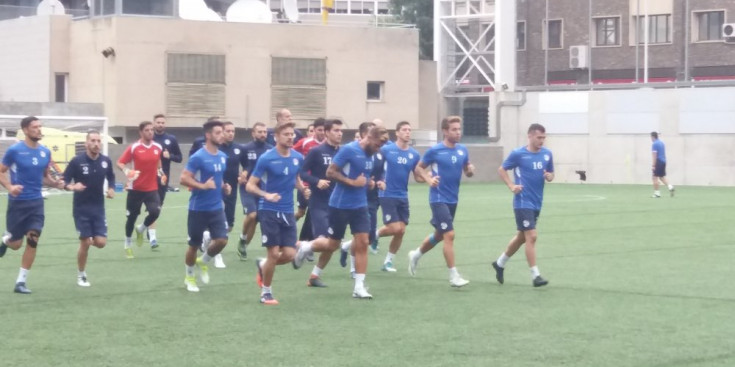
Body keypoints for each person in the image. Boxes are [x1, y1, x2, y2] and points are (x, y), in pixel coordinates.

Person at [293, 126, 389, 299]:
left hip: (360, 205)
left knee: (363, 241)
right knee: (332, 245)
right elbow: (331, 172)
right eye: (378, 143)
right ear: (369, 137)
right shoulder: (349, 150)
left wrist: (370, 183)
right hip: (340, 205)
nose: (379, 148)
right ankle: (306, 246)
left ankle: (359, 287)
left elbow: (364, 177)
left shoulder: (372, 155)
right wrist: (352, 182)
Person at [406, 116, 474, 288]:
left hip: (453, 199)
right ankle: (453, 276)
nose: (458, 132)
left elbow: (467, 171)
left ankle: (416, 254)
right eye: (454, 129)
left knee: (439, 234)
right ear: (445, 131)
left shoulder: (463, 150)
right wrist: (429, 180)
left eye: (459, 129)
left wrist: (470, 170)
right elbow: (419, 168)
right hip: (438, 198)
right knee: (449, 235)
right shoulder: (435, 150)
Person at [246, 121, 309, 305]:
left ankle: (263, 266)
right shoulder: (266, 158)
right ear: (276, 137)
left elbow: (295, 177)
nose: (290, 137)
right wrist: (266, 194)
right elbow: (250, 185)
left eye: (292, 134)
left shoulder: (297, 157)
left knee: (289, 255)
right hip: (269, 210)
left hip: (288, 211)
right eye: (286, 134)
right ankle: (266, 293)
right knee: (273, 253)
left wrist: (302, 188)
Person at [0, 116, 65, 294]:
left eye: (40, 126)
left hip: (36, 203)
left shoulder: (45, 152)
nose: (39, 130)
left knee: (33, 240)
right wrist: (10, 187)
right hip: (17, 203)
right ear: (26, 130)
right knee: (15, 244)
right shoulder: (14, 150)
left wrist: (55, 183)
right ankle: (6, 239)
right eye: (35, 127)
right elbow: (1, 172)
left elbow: (45, 177)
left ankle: (21, 282)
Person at [492, 123, 554, 287]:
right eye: (539, 137)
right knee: (531, 236)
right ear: (530, 136)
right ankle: (536, 276)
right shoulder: (518, 154)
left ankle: (499, 263)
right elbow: (501, 169)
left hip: (536, 202)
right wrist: (512, 186)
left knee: (522, 237)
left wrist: (549, 176)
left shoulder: (547, 154)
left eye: (543, 138)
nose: (542, 141)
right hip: (522, 202)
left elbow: (551, 174)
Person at [374, 121, 435, 272]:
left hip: (403, 195)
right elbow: (376, 167)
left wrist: (428, 177)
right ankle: (373, 234)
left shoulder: (413, 154)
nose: (408, 132)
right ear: (397, 133)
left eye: (409, 130)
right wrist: (378, 181)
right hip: (387, 193)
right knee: (394, 227)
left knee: (401, 230)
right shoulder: (386, 150)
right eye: (404, 130)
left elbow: (417, 177)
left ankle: (388, 262)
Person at [179, 120, 232, 292]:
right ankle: (189, 276)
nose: (222, 135)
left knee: (222, 240)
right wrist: (202, 186)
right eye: (217, 132)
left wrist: (224, 186)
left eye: (222, 132)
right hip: (198, 208)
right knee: (193, 245)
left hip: (216, 207)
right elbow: (184, 178)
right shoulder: (198, 157)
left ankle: (204, 260)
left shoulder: (223, 157)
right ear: (208, 135)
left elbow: (218, 178)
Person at [63, 130, 116, 287]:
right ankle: (81, 275)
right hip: (81, 209)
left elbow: (111, 177)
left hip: (98, 208)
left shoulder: (106, 161)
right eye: (92, 140)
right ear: (86, 143)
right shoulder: (76, 161)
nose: (96, 144)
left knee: (101, 243)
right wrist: (73, 186)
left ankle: (88, 239)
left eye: (98, 141)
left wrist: (112, 188)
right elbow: (64, 181)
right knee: (85, 243)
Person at [298, 119, 342, 287]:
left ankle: (314, 275)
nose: (339, 133)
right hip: (319, 202)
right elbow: (302, 172)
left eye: (341, 131)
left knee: (333, 243)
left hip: (337, 203)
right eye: (336, 130)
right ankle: (303, 246)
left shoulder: (343, 153)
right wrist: (316, 181)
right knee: (325, 240)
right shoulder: (317, 151)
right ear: (327, 132)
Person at [117, 121, 164, 258]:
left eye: (152, 130)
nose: (150, 132)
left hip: (152, 189)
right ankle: (127, 244)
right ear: (141, 132)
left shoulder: (157, 147)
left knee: (155, 212)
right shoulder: (134, 148)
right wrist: (127, 171)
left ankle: (141, 228)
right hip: (135, 189)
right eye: (147, 130)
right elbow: (119, 162)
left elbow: (158, 161)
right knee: (131, 218)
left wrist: (161, 173)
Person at [207, 121, 246, 268]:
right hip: (216, 188)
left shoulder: (238, 149)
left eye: (233, 131)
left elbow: (246, 164)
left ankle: (211, 242)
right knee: (218, 220)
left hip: (231, 189)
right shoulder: (216, 149)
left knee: (229, 225)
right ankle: (217, 253)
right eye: (227, 131)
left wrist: (243, 175)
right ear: (221, 132)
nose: (230, 133)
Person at [237, 122, 273, 260]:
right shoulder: (245, 148)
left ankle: (244, 247)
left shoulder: (270, 149)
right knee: (251, 215)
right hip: (247, 187)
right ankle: (242, 238)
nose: (263, 134)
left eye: (264, 132)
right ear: (253, 133)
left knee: (256, 220)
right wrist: (241, 175)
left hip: (263, 188)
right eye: (260, 132)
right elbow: (237, 165)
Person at [150, 113, 182, 247]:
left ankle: (146, 226)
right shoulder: (149, 138)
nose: (160, 124)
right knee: (151, 207)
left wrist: (170, 156)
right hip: (149, 177)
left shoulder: (171, 139)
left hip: (163, 178)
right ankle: (152, 238)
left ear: (165, 124)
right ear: (154, 123)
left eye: (163, 122)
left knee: (157, 207)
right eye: (158, 122)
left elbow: (179, 158)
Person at [293, 118, 326, 238]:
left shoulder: (329, 145)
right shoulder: (305, 142)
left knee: (313, 213)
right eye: (319, 130)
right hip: (305, 184)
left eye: (324, 130)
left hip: (320, 186)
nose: (322, 132)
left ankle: (307, 242)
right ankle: (289, 224)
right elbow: (291, 153)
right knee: (301, 212)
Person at [650, 131, 674, 198]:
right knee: (661, 177)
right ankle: (670, 187)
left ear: (653, 137)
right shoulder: (662, 143)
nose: (651, 139)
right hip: (663, 161)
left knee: (654, 177)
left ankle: (657, 193)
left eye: (651, 137)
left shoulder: (654, 144)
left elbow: (654, 155)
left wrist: (653, 165)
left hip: (658, 161)